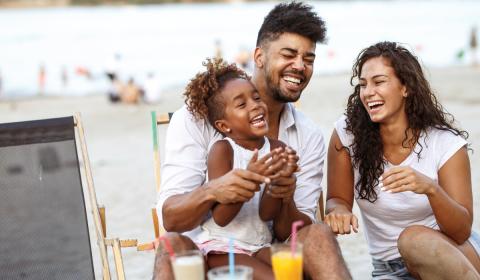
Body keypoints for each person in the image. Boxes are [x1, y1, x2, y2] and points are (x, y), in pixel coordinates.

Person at [154, 2, 351, 280]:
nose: (300, 66)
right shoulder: (195, 119)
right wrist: (215, 190)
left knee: (318, 232)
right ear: (259, 56)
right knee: (171, 244)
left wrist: (283, 194)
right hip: (205, 250)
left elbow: (289, 231)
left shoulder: (306, 136)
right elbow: (171, 219)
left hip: (265, 250)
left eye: (308, 59)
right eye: (289, 54)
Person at [325, 41, 480, 279]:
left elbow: (461, 231)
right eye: (363, 84)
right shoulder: (347, 135)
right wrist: (339, 212)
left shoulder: (445, 143)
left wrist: (431, 189)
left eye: (379, 82)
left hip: (454, 255)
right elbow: (336, 199)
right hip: (389, 269)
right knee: (408, 241)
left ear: (405, 87)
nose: (367, 92)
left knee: (412, 239)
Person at [183, 58, 298, 278]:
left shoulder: (277, 148)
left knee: (294, 272)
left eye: (256, 98)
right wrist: (251, 179)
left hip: (260, 244)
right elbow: (221, 217)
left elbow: (266, 214)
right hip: (224, 246)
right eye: (242, 104)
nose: (255, 105)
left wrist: (279, 182)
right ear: (224, 126)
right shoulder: (223, 151)